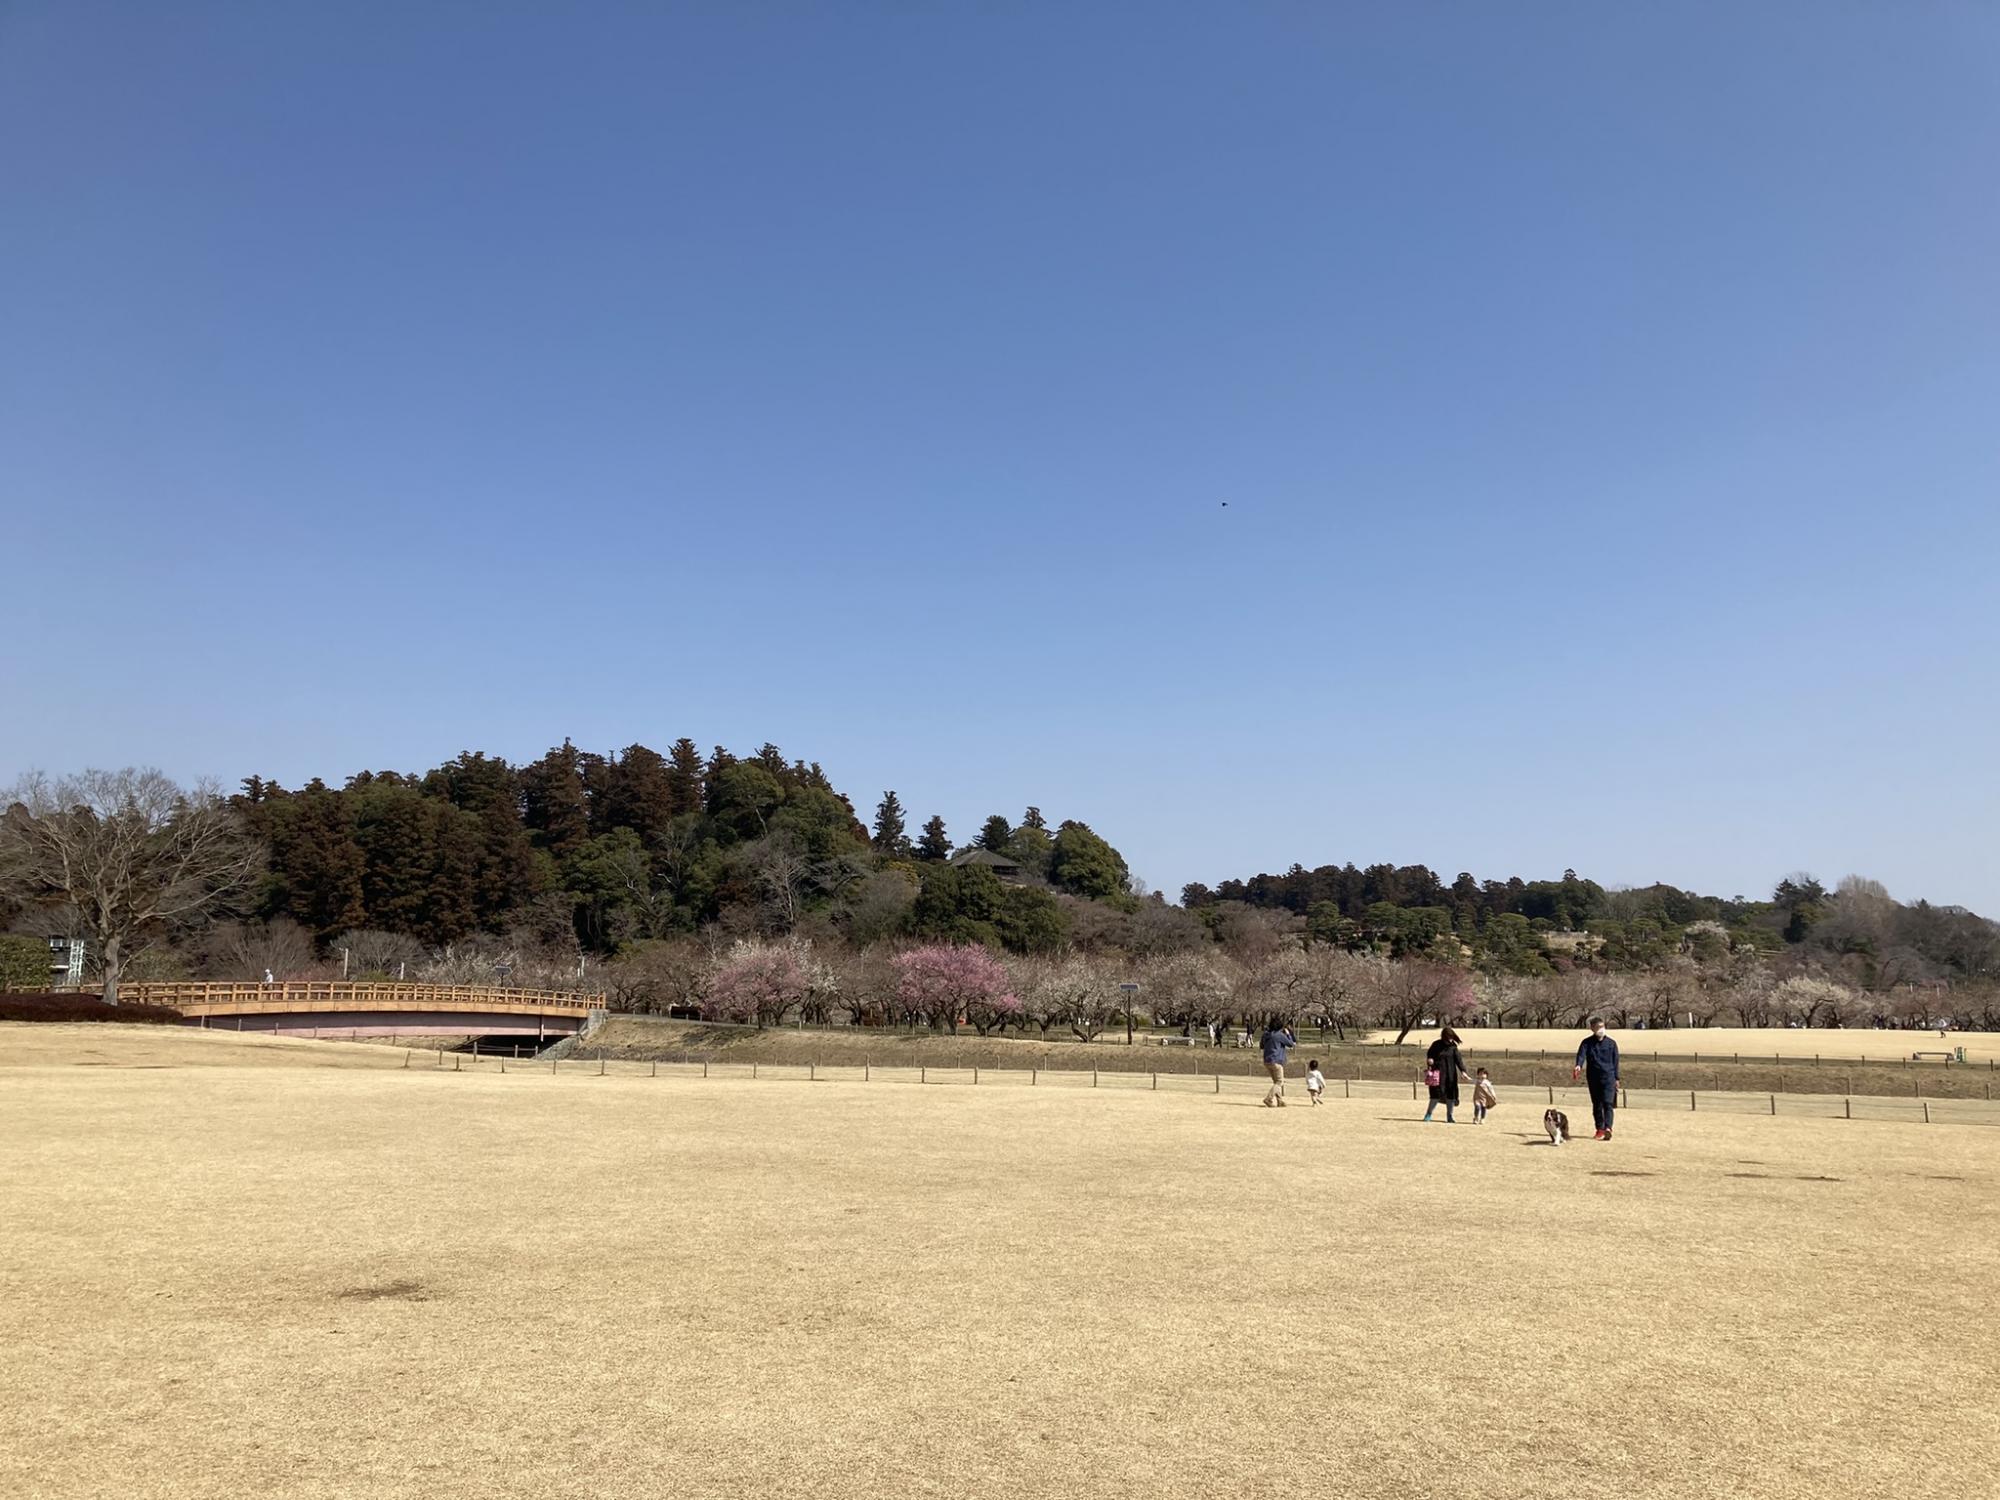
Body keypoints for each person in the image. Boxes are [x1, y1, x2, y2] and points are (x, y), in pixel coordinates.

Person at [1572, 1015, 1622, 1140]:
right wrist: (1578, 1065)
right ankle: (1599, 1129)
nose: (1601, 1029)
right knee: (1597, 1104)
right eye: (1598, 1027)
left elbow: (1615, 1062)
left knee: (1608, 1103)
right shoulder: (1587, 1043)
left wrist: (1617, 1078)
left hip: (1608, 1077)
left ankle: (1608, 1128)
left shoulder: (1611, 1043)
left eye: (1602, 1026)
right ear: (1592, 1029)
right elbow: (1581, 1055)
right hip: (1593, 1077)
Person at [1422, 1028, 1472, 1122]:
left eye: (1451, 1037)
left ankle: (1450, 1116)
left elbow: (1458, 1060)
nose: (1450, 1039)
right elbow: (1429, 1056)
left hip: (1450, 1074)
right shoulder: (1436, 1045)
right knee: (1435, 1095)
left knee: (1451, 1095)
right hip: (1437, 1074)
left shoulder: (1453, 1047)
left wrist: (1463, 1071)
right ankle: (1428, 1114)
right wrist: (1430, 1061)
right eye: (1448, 1037)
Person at [1260, 1021, 1297, 1107]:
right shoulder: (1279, 1035)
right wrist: (1288, 1034)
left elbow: (1261, 1046)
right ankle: (1268, 1098)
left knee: (1276, 1082)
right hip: (1276, 1060)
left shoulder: (1265, 1034)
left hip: (1267, 1060)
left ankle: (1280, 1101)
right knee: (1280, 1081)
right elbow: (1291, 1044)